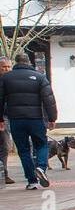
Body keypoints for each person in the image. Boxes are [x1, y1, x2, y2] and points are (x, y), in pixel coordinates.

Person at [0, 52, 57, 190]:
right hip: (36, 118)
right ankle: (41, 167)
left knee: (23, 150)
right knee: (41, 144)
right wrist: (52, 118)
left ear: (15, 62)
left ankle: (32, 181)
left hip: (16, 120)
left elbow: (0, 100)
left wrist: (0, 118)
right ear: (29, 62)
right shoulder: (39, 77)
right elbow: (49, 99)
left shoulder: (6, 78)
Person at [0, 57, 13, 185]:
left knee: (6, 146)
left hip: (9, 116)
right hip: (2, 117)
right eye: (4, 67)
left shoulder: (12, 80)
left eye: (8, 67)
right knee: (5, 145)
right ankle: (4, 174)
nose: (7, 69)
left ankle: (4, 173)